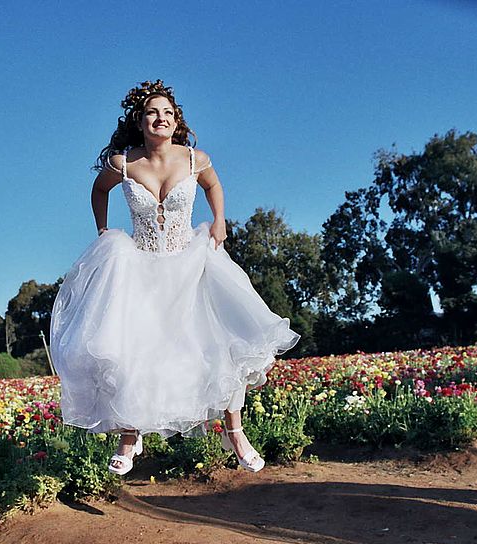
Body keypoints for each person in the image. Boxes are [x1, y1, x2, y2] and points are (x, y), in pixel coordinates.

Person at [49, 79, 299, 476]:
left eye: (167, 112)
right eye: (152, 112)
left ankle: (235, 434)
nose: (160, 118)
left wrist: (219, 221)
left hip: (191, 262)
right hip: (142, 268)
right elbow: (98, 191)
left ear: (176, 121)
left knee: (222, 344)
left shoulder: (195, 159)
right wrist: (102, 230)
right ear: (140, 122)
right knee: (132, 349)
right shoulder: (124, 164)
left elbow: (213, 185)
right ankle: (129, 437)